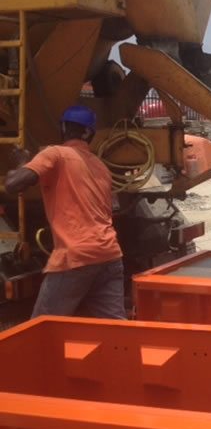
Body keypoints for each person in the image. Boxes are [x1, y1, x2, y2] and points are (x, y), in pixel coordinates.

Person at [5, 105, 126, 319]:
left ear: (62, 128)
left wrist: (23, 162)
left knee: (44, 328)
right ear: (90, 134)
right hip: (109, 255)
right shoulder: (101, 167)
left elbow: (13, 184)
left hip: (76, 256)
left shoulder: (56, 154)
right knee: (113, 327)